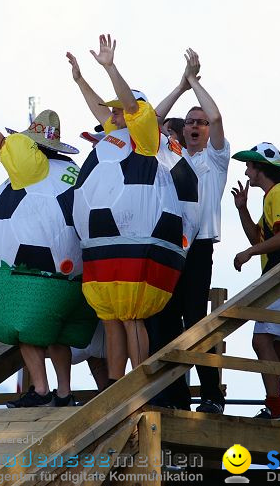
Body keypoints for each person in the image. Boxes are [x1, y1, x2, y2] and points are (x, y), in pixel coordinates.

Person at [0, 85, 96, 407]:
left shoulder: (33, 166)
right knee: (59, 334)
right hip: (75, 273)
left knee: (23, 328)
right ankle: (65, 392)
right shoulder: (72, 171)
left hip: (33, 273)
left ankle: (40, 389)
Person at [66, 36, 199, 385]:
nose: (111, 114)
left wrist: (111, 67)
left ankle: (140, 384)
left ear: (133, 112)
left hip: (138, 240)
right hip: (105, 243)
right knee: (111, 317)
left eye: (119, 109)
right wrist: (80, 79)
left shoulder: (144, 135)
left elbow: (134, 107)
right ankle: (114, 385)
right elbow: (99, 108)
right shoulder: (114, 134)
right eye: (112, 111)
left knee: (131, 317)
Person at [146, 48, 230, 414]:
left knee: (196, 320)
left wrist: (195, 81)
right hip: (169, 249)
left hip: (198, 248)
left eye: (201, 123)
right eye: (191, 122)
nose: (197, 125)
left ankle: (211, 395)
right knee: (163, 319)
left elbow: (216, 114)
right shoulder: (171, 155)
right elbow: (148, 123)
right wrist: (179, 87)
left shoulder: (216, 158)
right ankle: (174, 396)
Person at [231, 143, 280, 420]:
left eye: (250, 166)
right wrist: (242, 209)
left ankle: (276, 407)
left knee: (262, 340)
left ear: (261, 168)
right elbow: (260, 239)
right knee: (277, 345)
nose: (247, 171)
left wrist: (249, 253)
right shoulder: (275, 195)